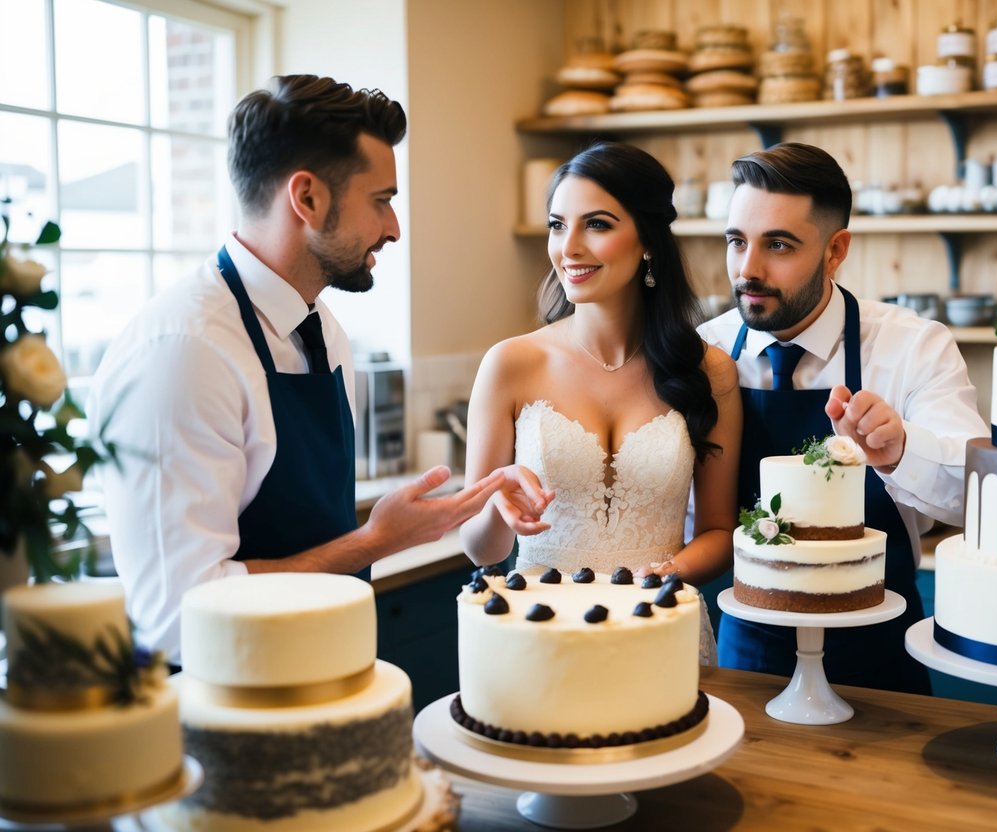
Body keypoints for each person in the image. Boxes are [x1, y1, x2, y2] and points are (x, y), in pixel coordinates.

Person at [88, 75, 504, 663]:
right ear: (307, 198)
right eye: (381, 200)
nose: (394, 228)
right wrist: (374, 542)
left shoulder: (324, 329)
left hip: (331, 675)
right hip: (228, 712)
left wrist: (375, 541)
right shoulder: (184, 353)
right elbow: (177, 616)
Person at [698, 142, 989, 693]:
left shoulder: (913, 348)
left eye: (778, 245)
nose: (748, 269)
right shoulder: (701, 356)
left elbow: (975, 495)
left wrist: (900, 451)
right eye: (737, 242)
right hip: (746, 662)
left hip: (881, 664)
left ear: (836, 250)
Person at [459, 142, 742, 663]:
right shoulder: (510, 365)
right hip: (539, 639)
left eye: (597, 224)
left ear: (649, 241)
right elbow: (482, 548)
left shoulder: (710, 371)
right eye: (557, 224)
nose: (569, 247)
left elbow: (720, 532)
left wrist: (673, 571)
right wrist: (501, 507)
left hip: (658, 631)